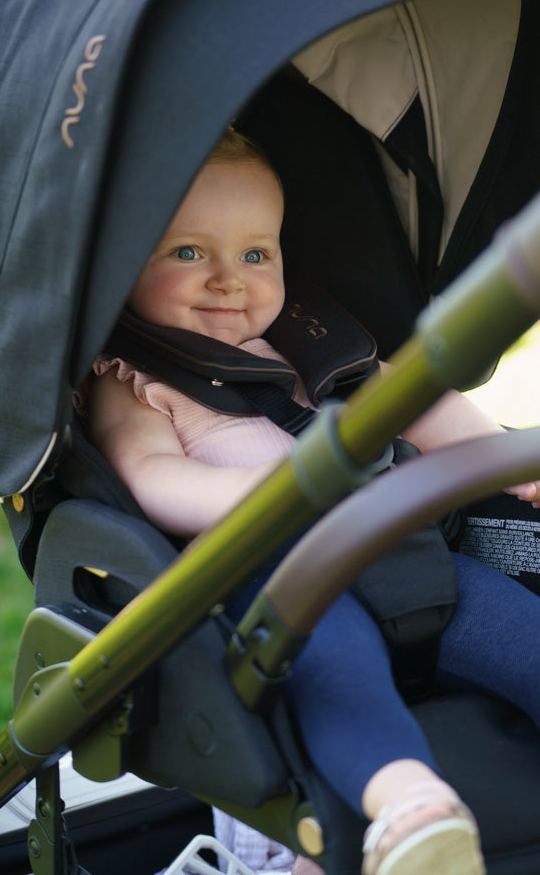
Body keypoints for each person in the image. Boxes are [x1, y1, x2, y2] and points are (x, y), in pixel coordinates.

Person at [78, 129, 540, 875]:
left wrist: (505, 461)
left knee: (526, 633)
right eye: (188, 252)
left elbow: (422, 402)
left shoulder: (319, 343)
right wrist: (268, 491)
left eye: (255, 254)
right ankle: (411, 810)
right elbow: (149, 475)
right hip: (281, 585)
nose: (229, 281)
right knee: (332, 672)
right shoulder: (132, 376)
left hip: (413, 561)